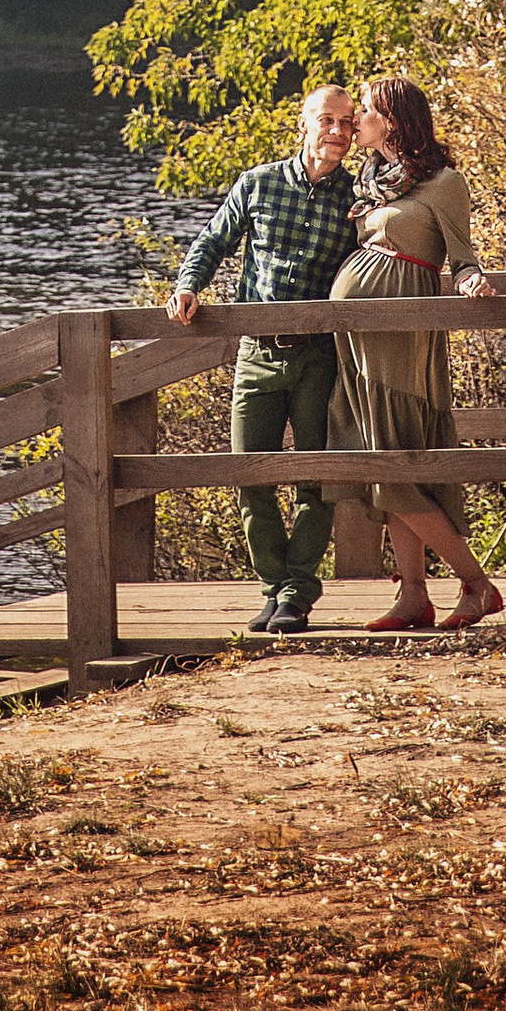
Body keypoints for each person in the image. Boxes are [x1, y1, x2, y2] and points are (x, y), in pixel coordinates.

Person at [165, 81, 359, 636]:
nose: (338, 133)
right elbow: (211, 240)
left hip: (320, 355)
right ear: (304, 122)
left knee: (316, 478)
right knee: (249, 473)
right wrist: (188, 286)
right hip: (256, 354)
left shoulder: (359, 200)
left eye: (347, 124)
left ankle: (297, 593)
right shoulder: (259, 183)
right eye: (328, 120)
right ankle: (275, 586)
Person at [329, 72, 506, 631]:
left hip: (404, 333)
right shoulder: (373, 182)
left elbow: (462, 254)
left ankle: (476, 585)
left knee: (396, 460)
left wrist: (473, 281)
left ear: (396, 120)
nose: (356, 119)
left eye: (367, 112)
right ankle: (413, 597)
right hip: (359, 336)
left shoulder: (444, 182)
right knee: (381, 456)